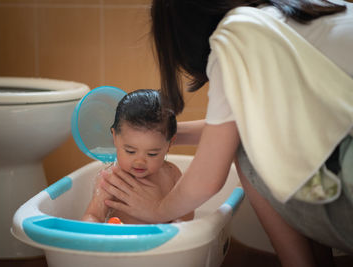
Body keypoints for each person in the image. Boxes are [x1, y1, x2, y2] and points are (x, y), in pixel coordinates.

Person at [99, 0, 353, 266]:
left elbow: (209, 177)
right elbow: (233, 125)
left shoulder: (236, 38)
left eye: (151, 153)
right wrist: (157, 138)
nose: (140, 159)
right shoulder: (291, 12)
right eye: (130, 150)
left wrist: (157, 211)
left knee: (242, 145)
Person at [81, 89, 194, 224]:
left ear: (169, 144)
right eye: (130, 151)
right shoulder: (110, 179)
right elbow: (93, 216)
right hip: (120, 243)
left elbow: (187, 214)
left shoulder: (171, 174)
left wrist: (175, 222)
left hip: (162, 243)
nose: (140, 162)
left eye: (152, 154)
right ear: (115, 137)